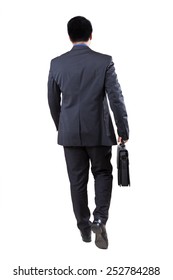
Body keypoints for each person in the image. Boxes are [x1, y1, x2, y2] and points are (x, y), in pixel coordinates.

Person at [47, 16, 129, 249]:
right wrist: (123, 129)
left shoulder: (57, 64)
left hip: (70, 132)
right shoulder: (104, 62)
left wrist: (62, 126)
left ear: (69, 36)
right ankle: (99, 220)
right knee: (102, 173)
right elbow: (116, 98)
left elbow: (53, 100)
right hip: (99, 132)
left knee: (77, 182)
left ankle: (84, 229)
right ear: (91, 35)